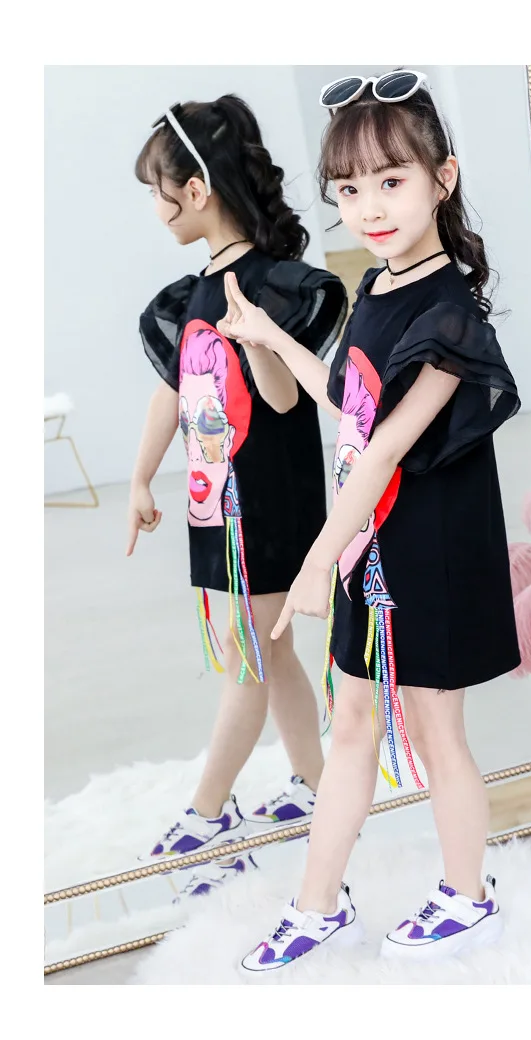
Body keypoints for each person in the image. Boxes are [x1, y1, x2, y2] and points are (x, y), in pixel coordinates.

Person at [215, 71, 521, 968]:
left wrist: (318, 558)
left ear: (443, 178)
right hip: (371, 543)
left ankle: (469, 897)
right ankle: (319, 906)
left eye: (391, 180)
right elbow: (354, 409)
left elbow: (385, 449)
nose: (370, 208)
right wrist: (274, 339)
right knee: (353, 720)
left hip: (428, 549)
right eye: (349, 190)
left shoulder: (451, 313)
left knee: (434, 729)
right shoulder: (378, 291)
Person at [129, 95, 347, 885]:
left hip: (271, 503)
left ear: (195, 190)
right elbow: (171, 390)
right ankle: (318, 784)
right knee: (269, 647)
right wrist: (140, 476)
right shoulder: (189, 295)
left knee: (246, 655)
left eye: (159, 192)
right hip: (216, 502)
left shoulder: (279, 287)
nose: (157, 209)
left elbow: (284, 400)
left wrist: (256, 333)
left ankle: (209, 815)